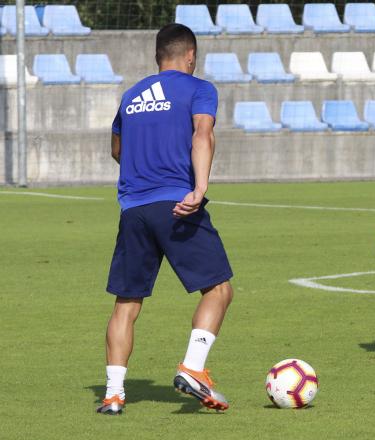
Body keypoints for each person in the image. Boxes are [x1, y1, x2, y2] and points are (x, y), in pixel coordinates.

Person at [97, 23, 234, 415]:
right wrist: (200, 188)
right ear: (191, 55)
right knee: (219, 290)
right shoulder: (199, 89)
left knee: (127, 304)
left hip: (133, 210)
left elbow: (117, 149)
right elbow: (202, 134)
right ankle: (193, 366)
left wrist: (144, 170)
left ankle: (113, 394)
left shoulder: (131, 96)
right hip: (177, 204)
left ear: (158, 56)